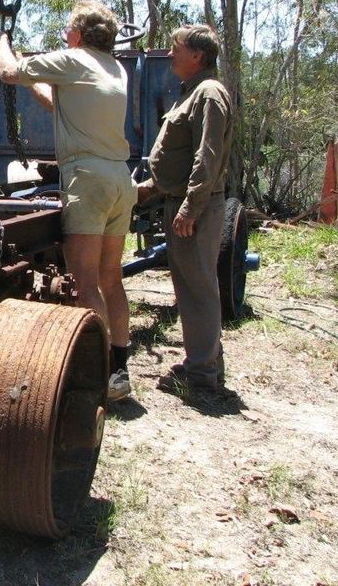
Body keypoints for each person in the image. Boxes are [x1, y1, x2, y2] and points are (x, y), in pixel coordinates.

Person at [0, 0, 137, 402]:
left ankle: (98, 376)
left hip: (87, 179)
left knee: (85, 281)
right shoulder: (113, 69)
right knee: (111, 278)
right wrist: (26, 64)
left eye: (67, 30)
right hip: (119, 179)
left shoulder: (74, 60)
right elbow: (61, 105)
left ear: (76, 34)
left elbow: (6, 73)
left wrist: (0, 41)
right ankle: (119, 369)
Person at [137, 24, 234, 395]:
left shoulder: (208, 93)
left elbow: (206, 158)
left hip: (196, 208)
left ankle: (202, 376)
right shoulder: (193, 92)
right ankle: (204, 364)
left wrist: (190, 209)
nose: (169, 55)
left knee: (198, 291)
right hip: (181, 201)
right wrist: (150, 189)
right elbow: (179, 158)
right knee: (194, 288)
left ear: (197, 55)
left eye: (175, 49)